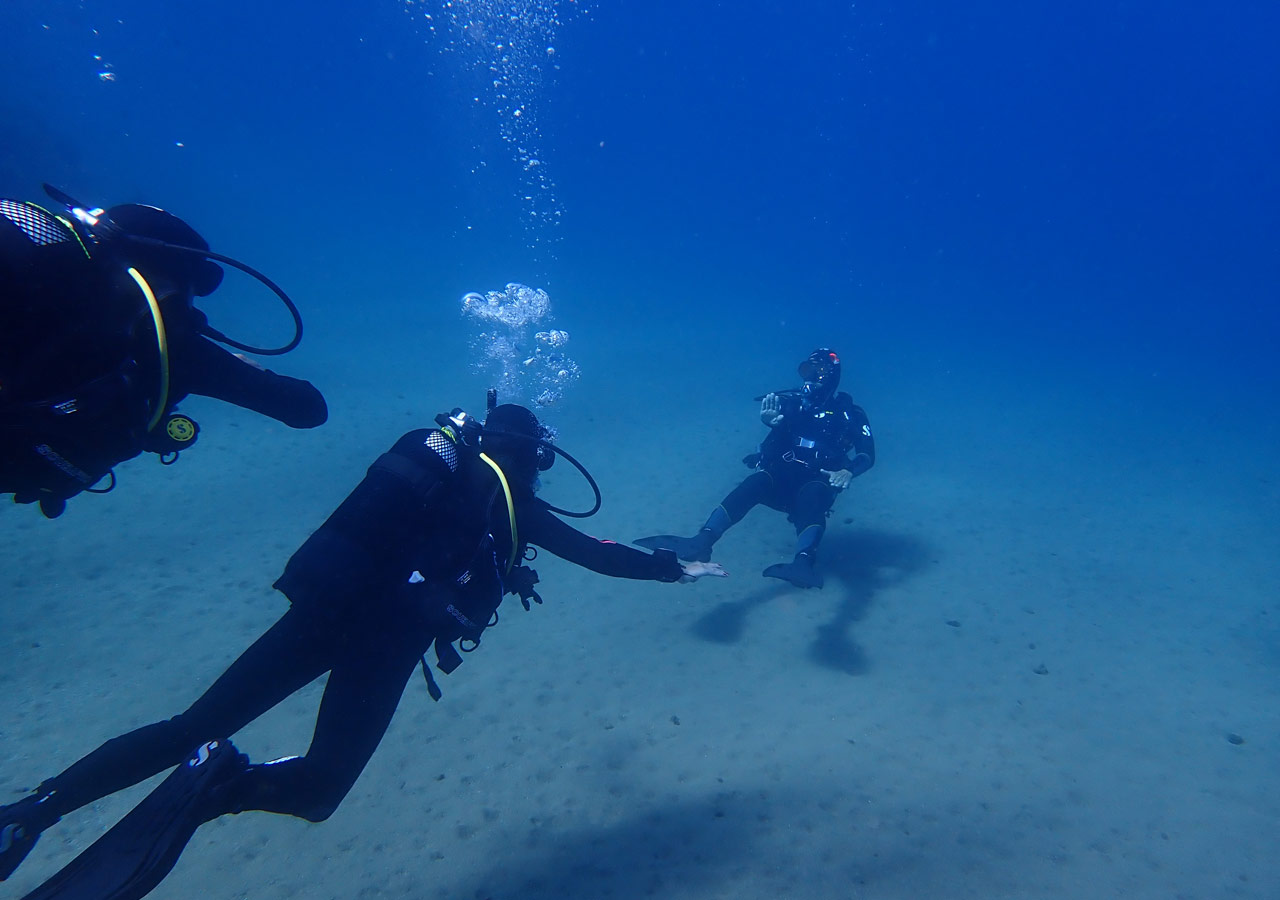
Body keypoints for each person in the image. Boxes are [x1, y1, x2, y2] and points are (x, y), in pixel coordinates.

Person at [0, 400, 725, 898]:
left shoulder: (433, 471)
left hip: (322, 610)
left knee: (191, 724)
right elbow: (600, 556)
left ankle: (38, 806)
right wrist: (674, 565)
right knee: (318, 791)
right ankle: (218, 791)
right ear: (534, 456)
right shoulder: (513, 506)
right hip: (384, 645)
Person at [0, 187, 327, 519]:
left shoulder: (48, 261)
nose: (182, 310)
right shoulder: (137, 323)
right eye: (181, 295)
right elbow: (306, 408)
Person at [637, 348, 874, 589]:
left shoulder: (850, 414)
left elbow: (867, 455)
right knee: (754, 482)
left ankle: (803, 563)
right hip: (780, 480)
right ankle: (702, 540)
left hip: (817, 482)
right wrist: (771, 424)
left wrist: (849, 471)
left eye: (817, 371)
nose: (810, 378)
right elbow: (776, 441)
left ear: (832, 375)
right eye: (806, 370)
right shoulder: (790, 404)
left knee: (813, 498)